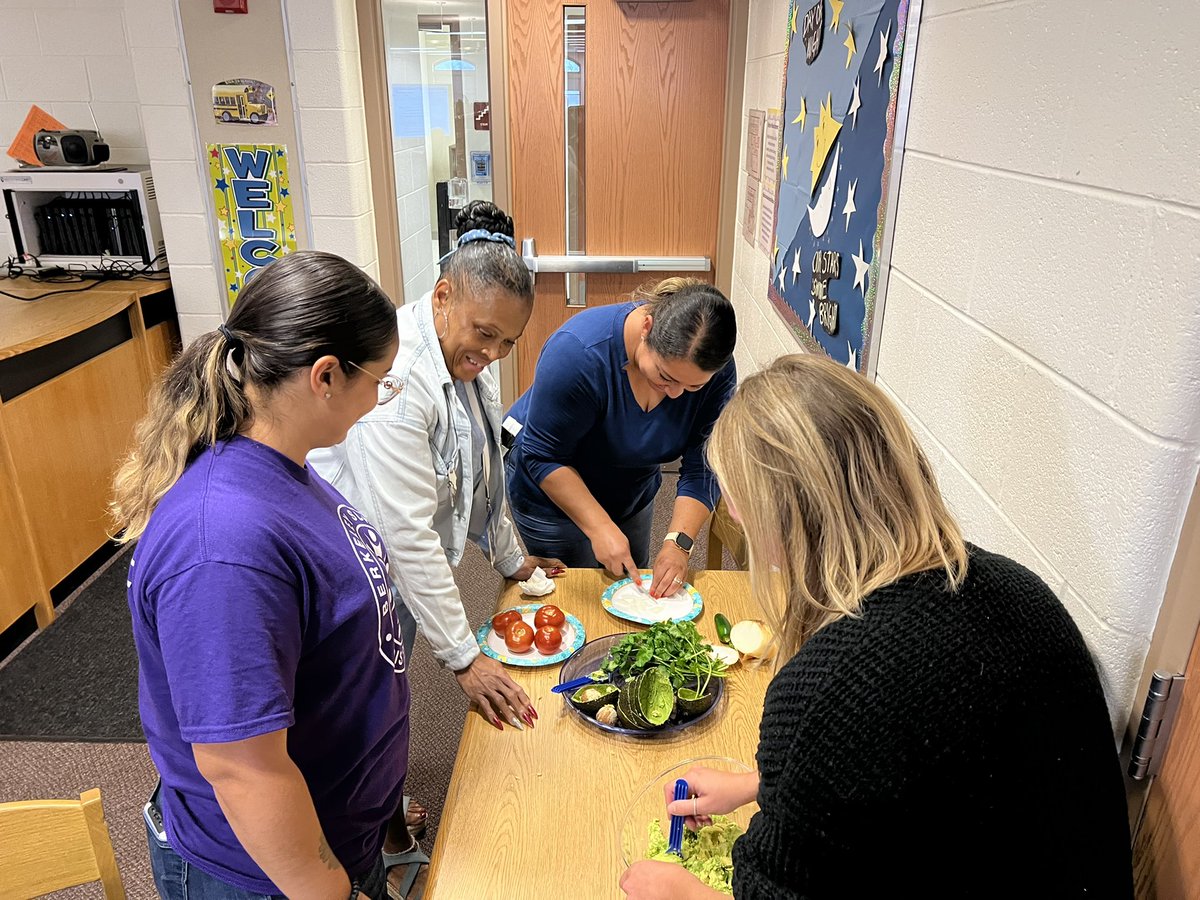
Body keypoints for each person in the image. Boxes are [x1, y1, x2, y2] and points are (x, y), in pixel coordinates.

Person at [619, 353, 1134, 899]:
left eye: (740, 499)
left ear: (788, 512)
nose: (734, 515)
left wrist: (681, 892)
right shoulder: (1020, 588)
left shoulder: (829, 687)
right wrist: (761, 786)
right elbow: (923, 777)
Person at [112, 251, 412, 900]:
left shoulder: (282, 467)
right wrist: (329, 890)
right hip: (272, 876)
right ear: (326, 376)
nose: (379, 400)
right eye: (380, 381)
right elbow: (241, 768)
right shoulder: (223, 545)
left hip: (332, 838)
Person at [310, 201, 563, 735]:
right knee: (355, 697)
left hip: (390, 554)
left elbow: (481, 467)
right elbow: (404, 534)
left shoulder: (462, 352)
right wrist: (464, 658)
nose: (494, 352)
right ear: (443, 296)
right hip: (352, 560)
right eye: (486, 333)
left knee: (386, 677)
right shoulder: (401, 381)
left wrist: (511, 558)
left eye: (508, 341)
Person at [504, 277, 737, 598]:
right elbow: (543, 455)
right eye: (665, 376)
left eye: (693, 387)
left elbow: (703, 466)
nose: (676, 394)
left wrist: (678, 544)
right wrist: (599, 526)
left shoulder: (714, 370)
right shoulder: (578, 352)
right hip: (552, 490)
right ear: (647, 328)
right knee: (576, 598)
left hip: (631, 488)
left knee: (630, 590)